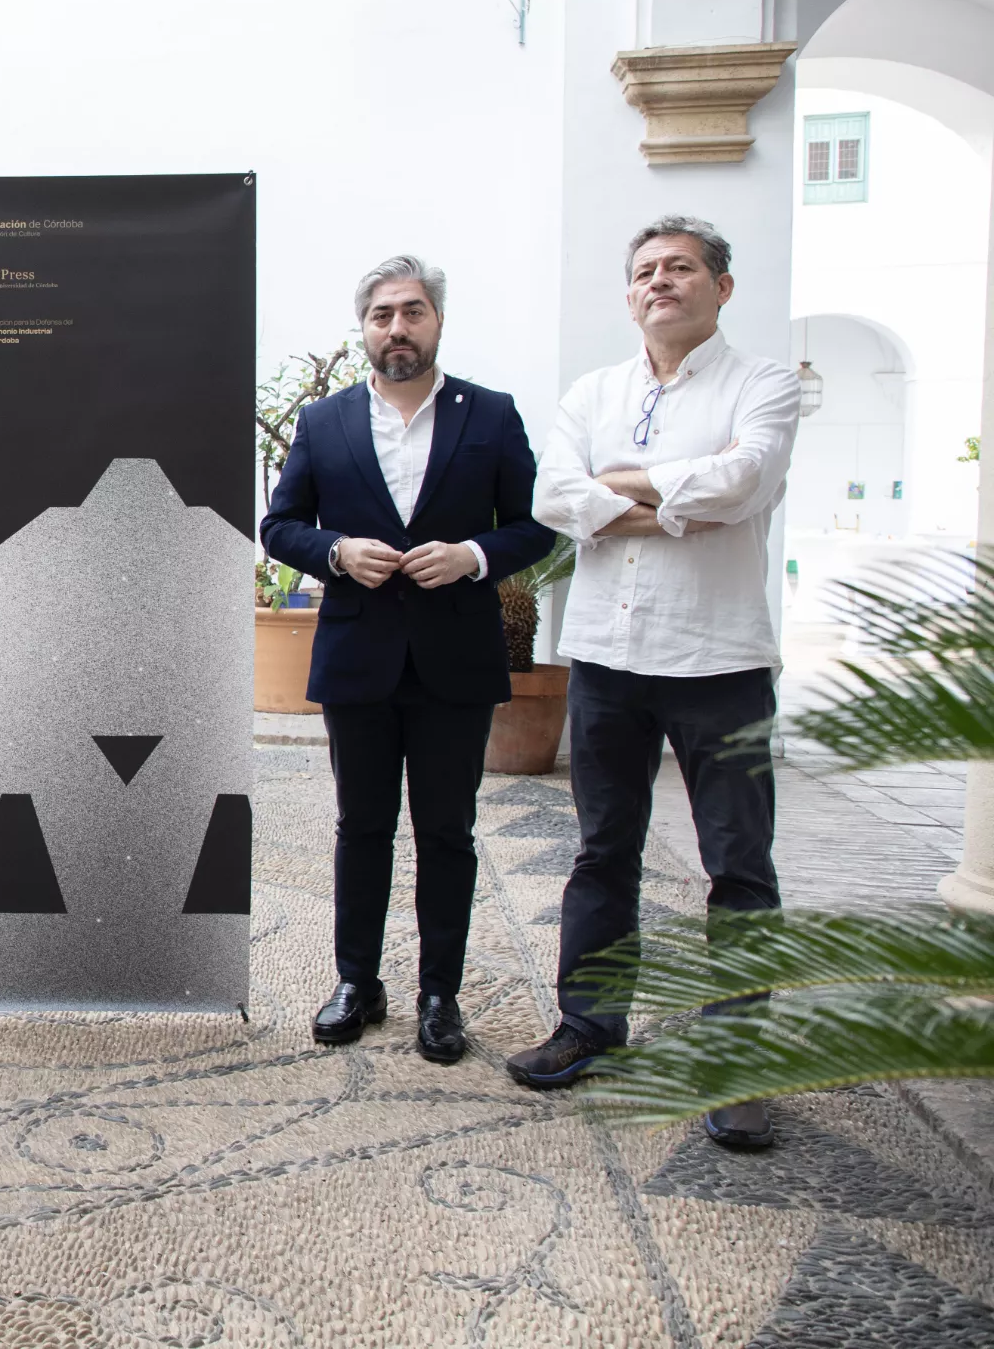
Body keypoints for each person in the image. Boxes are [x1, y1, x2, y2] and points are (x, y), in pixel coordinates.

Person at [516, 216, 800, 1151]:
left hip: (718, 661)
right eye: (645, 271)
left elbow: (746, 479)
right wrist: (669, 505)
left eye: (681, 268)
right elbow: (552, 496)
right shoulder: (595, 390)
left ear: (722, 287)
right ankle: (591, 1028)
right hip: (607, 657)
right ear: (628, 293)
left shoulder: (762, 382)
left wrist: (622, 492)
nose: (660, 282)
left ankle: (735, 1064)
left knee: (740, 870)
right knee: (603, 853)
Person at [263, 256, 556, 1062]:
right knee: (362, 827)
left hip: (454, 660)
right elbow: (279, 525)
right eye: (383, 314)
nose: (398, 327)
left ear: (437, 322)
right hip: (359, 659)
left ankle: (439, 995)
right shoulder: (325, 422)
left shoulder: (490, 415)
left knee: (448, 832)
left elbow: (535, 525)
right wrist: (335, 550)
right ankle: (357, 981)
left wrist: (471, 555)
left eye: (413, 312)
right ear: (364, 328)